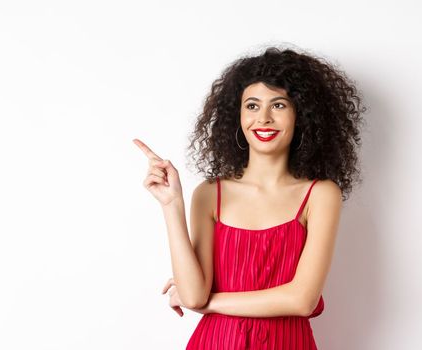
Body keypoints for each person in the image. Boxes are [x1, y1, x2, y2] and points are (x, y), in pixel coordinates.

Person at [133, 46, 366, 349]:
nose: (264, 118)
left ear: (302, 115)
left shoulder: (320, 194)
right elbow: (192, 296)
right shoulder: (209, 194)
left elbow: (301, 300)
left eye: (279, 105)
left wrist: (210, 304)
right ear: (237, 115)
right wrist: (171, 205)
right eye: (252, 106)